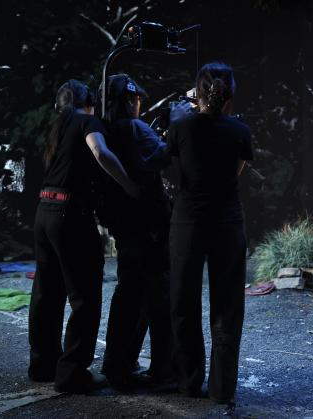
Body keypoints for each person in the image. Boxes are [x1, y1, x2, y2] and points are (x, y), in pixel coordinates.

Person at [28, 79, 138, 393]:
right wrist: (129, 185)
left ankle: (42, 365)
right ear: (87, 103)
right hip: (70, 216)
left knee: (47, 293)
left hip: (44, 211)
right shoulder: (86, 121)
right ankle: (72, 372)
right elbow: (100, 152)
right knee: (85, 296)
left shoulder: (57, 129)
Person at [167, 62, 253, 406]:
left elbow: (172, 169)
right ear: (230, 94)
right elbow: (236, 171)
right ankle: (222, 389)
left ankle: (189, 382)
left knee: (183, 303)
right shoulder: (240, 130)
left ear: (197, 92)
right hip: (227, 222)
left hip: (188, 222)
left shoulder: (181, 126)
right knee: (227, 307)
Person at [98, 74, 188, 389]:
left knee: (128, 294)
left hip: (124, 223)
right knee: (159, 296)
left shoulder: (104, 131)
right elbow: (162, 158)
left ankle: (117, 365)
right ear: (128, 99)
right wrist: (177, 126)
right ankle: (165, 369)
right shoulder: (135, 128)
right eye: (137, 99)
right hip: (148, 224)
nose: (139, 104)